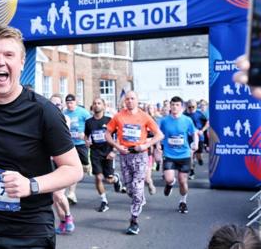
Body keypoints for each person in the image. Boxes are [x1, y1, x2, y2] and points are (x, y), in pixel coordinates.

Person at [0, 25, 83, 248]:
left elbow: (74, 169)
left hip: (31, 227)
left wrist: (31, 185)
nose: (0, 61)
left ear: (21, 63)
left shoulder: (44, 111)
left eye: (8, 55)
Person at [105, 91, 164, 235]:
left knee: (137, 189)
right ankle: (139, 198)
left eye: (132, 98)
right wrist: (117, 146)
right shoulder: (119, 116)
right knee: (131, 190)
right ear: (124, 101)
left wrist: (146, 145)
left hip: (140, 155)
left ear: (137, 100)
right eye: (127, 99)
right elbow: (107, 133)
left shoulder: (144, 116)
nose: (130, 101)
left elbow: (159, 134)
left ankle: (134, 221)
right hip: (125, 156)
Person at [158, 96, 198, 214]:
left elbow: (194, 133)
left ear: (181, 107)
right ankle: (170, 184)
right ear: (170, 106)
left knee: (182, 181)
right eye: (173, 105)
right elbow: (159, 134)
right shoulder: (164, 121)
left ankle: (183, 201)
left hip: (184, 154)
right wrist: (157, 147)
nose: (174, 107)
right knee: (169, 178)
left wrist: (195, 143)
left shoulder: (187, 120)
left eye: (177, 105)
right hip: (169, 154)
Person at [84, 98, 123, 213]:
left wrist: (114, 151)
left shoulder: (109, 120)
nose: (96, 105)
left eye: (99, 103)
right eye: (94, 103)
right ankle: (104, 201)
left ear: (104, 106)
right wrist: (87, 141)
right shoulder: (89, 122)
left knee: (109, 180)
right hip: (95, 152)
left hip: (108, 152)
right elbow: (86, 136)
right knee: (98, 177)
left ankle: (116, 179)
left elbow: (118, 137)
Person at [49, 94, 75, 235]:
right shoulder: (42, 119)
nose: (55, 107)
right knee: (54, 197)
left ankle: (69, 216)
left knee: (59, 194)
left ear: (62, 106)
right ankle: (63, 221)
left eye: (58, 104)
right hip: (49, 161)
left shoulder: (65, 119)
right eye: (52, 104)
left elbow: (62, 137)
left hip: (62, 160)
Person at [64, 93, 91, 204]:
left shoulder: (82, 112)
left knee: (84, 165)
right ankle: (71, 193)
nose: (70, 105)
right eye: (68, 103)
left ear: (76, 102)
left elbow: (91, 124)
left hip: (81, 143)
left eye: (72, 102)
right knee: (73, 168)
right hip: (70, 144)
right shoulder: (64, 113)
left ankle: (87, 166)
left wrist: (85, 134)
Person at [183, 99, 208, 180]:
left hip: (199, 137)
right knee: (190, 155)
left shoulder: (199, 114)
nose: (191, 108)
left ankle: (200, 159)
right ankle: (192, 172)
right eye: (189, 107)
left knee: (198, 154)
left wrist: (202, 130)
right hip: (188, 138)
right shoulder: (184, 114)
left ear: (196, 106)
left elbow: (207, 123)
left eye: (193, 107)